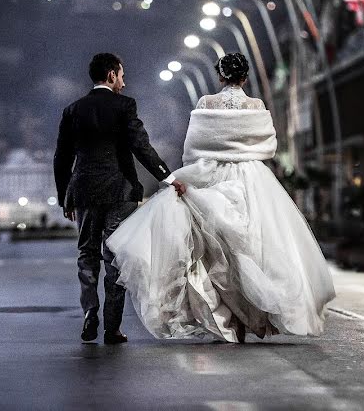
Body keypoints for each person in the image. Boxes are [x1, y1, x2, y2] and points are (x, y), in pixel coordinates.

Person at [107, 53, 335, 343]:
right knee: (254, 247)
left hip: (210, 175)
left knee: (211, 251)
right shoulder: (256, 106)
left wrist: (204, 160)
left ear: (220, 76)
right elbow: (268, 144)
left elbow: (193, 146)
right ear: (245, 77)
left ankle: (225, 320)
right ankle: (253, 314)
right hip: (251, 178)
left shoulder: (206, 104)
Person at [54, 53, 186, 345]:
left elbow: (61, 158)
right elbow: (141, 146)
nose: (124, 83)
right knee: (115, 257)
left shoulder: (72, 110)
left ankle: (90, 311)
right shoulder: (124, 106)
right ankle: (112, 328)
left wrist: (65, 195)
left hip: (85, 192)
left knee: (87, 253)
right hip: (119, 192)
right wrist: (168, 177)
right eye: (122, 76)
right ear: (112, 75)